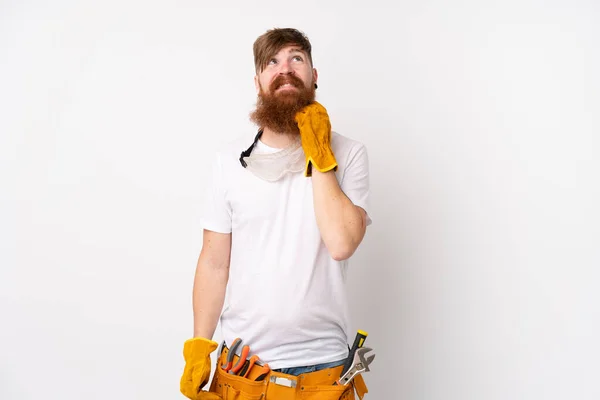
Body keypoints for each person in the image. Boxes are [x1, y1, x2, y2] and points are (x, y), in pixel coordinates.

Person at [180, 27, 372, 400]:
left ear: (313, 75)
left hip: (325, 371)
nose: (285, 68)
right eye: (273, 61)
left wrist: (320, 151)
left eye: (296, 58)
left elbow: (341, 242)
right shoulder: (228, 163)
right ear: (258, 82)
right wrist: (200, 345)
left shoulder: (348, 154)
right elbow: (214, 264)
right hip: (246, 368)